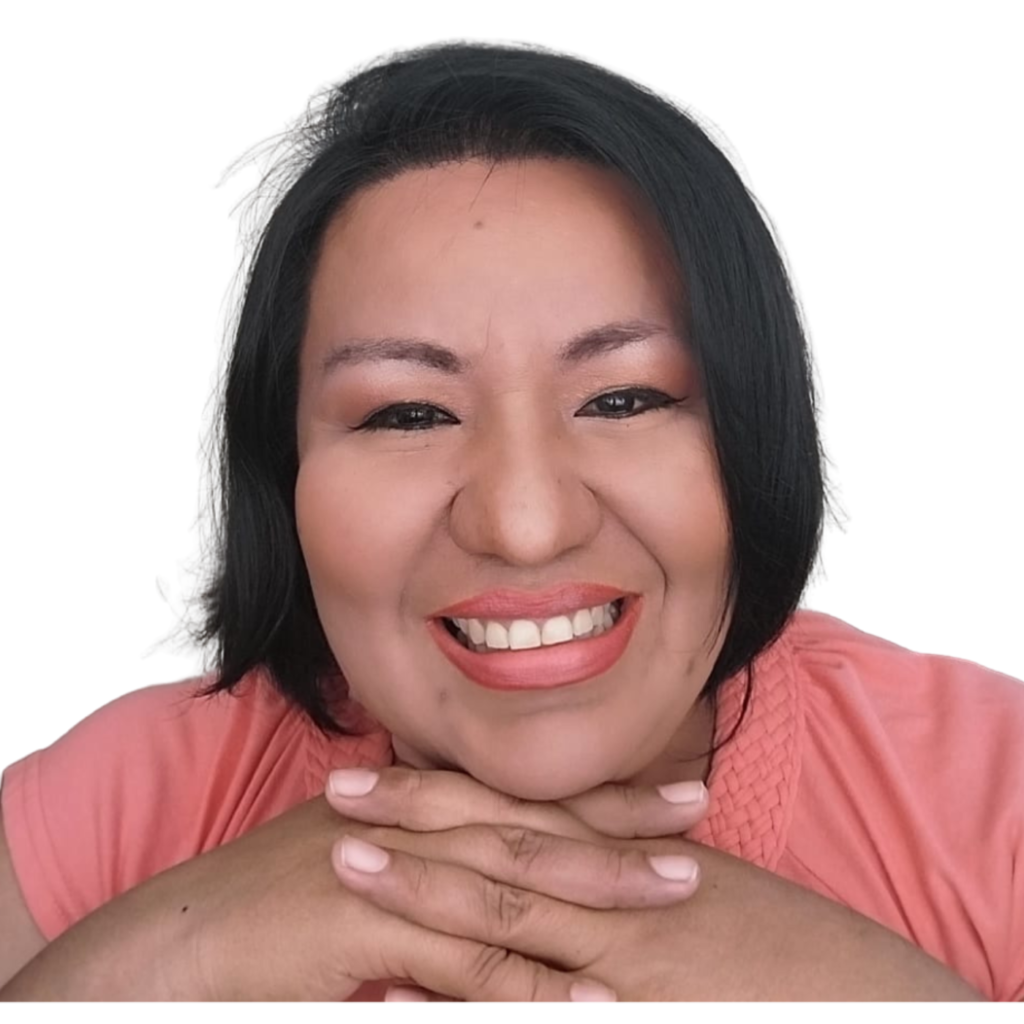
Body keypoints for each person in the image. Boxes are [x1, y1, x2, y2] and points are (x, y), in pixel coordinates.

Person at [1, 39, 1021, 1002]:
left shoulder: (996, 796)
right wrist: (173, 954)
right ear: (285, 468)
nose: (525, 525)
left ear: (759, 430)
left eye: (623, 398)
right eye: (409, 414)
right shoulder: (115, 805)